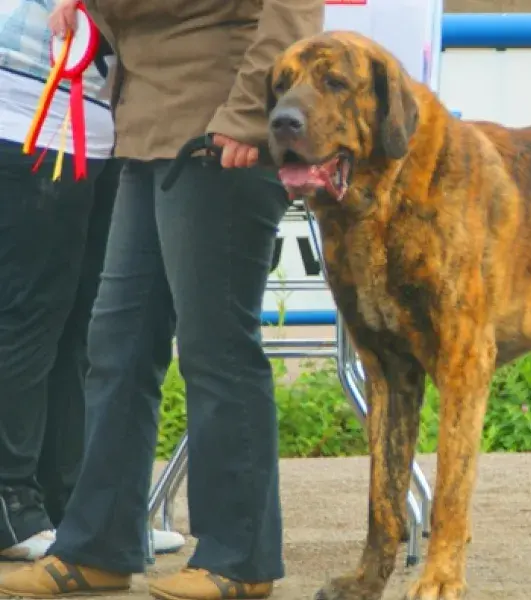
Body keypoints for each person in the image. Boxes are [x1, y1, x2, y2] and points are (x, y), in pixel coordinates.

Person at [0, 0, 323, 598]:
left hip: (219, 130)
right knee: (116, 347)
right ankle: (97, 546)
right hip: (147, 128)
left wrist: (251, 111)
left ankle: (238, 558)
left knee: (216, 348)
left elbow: (293, 10)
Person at [0, 0, 184, 564]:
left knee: (87, 323)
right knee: (30, 315)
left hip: (109, 119)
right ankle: (12, 504)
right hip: (29, 100)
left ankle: (79, 508)